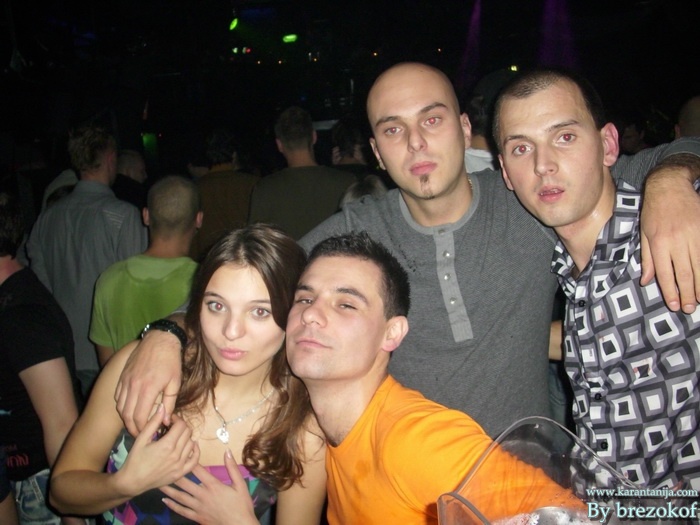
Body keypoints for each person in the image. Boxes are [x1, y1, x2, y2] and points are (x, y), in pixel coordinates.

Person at [114, 62, 700, 440]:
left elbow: (663, 154)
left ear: (464, 129)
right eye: (393, 129)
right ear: (376, 151)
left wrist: (673, 180)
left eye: (432, 120)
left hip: (534, 482)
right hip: (408, 485)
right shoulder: (356, 236)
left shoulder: (526, 197)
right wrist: (166, 334)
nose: (416, 143)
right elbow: (251, 287)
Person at [282, 232, 583, 524]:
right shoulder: (323, 432)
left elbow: (573, 518)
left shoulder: (419, 441)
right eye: (305, 299)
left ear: (392, 333)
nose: (310, 314)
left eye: (346, 304)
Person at [494, 68, 700, 490]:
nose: (543, 165)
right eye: (521, 148)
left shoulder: (676, 232)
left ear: (608, 145)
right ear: (506, 174)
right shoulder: (570, 277)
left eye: (565, 137)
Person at [50, 225, 327, 525]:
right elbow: (61, 492)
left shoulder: (302, 428)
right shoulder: (143, 370)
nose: (231, 331)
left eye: (259, 312)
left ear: (294, 314)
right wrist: (124, 484)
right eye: (216, 306)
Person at [26, 126, 147, 394]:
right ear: (111, 159)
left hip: (63, 348)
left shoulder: (47, 218)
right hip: (111, 349)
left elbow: (42, 285)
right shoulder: (122, 216)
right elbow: (135, 288)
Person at [0, 192, 82, 525]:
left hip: (40, 483)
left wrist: (72, 514)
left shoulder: (22, 315)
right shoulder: (12, 299)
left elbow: (62, 421)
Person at [90, 176, 201, 363]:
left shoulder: (108, 280)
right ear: (198, 219)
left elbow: (107, 365)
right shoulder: (205, 282)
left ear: (146, 215)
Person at [247, 106, 356, 240]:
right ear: (314, 136)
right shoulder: (347, 182)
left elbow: (255, 243)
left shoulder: (264, 189)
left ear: (279, 145)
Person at [190, 128, 260, 261]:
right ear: (234, 155)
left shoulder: (194, 189)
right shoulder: (253, 184)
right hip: (246, 261)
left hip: (207, 264)